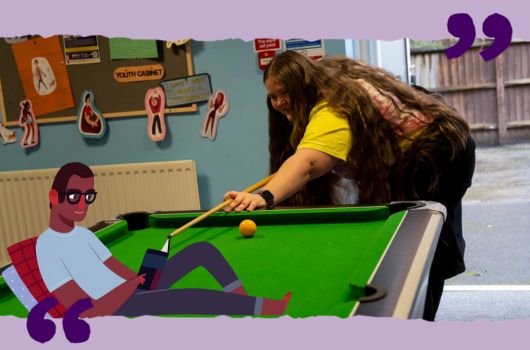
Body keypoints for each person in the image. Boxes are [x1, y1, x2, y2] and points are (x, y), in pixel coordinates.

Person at [223, 51, 475, 321]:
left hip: (439, 154)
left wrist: (265, 196)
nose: (279, 102)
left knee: (425, 247)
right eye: (273, 96)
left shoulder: (331, 108)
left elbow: (307, 163)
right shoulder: (327, 82)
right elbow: (301, 160)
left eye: (285, 92)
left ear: (302, 85)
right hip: (420, 156)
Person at [36, 162, 290, 318]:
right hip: (107, 308)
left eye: (88, 196)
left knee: (202, 250)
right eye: (73, 197)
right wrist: (128, 289)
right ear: (53, 196)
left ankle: (242, 302)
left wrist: (140, 278)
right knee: (190, 296)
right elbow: (78, 304)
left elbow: (114, 268)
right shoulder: (47, 246)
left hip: (127, 291)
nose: (82, 204)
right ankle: (263, 307)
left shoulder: (81, 234)